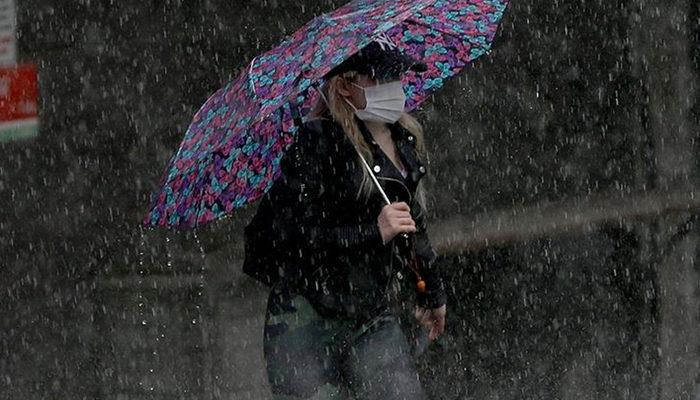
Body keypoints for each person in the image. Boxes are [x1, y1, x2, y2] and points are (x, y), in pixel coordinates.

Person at [242, 33, 447, 400]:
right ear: (346, 87)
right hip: (304, 314)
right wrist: (372, 231)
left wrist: (432, 292)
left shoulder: (404, 142)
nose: (393, 87)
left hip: (369, 311)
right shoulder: (316, 144)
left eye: (397, 76)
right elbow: (294, 237)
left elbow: (412, 227)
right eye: (381, 78)